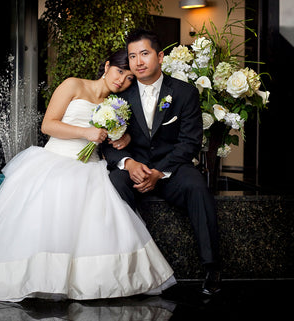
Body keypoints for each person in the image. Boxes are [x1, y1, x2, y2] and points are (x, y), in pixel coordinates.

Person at [0, 50, 176, 302]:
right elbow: (48, 124)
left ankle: (91, 282)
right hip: (55, 161)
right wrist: (86, 132)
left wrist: (125, 137)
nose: (122, 80)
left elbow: (126, 137)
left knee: (99, 226)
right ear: (108, 66)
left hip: (93, 167)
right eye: (120, 71)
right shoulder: (73, 84)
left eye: (130, 77)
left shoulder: (120, 104)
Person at [101, 29, 221, 296]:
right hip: (135, 169)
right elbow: (108, 144)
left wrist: (159, 172)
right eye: (133, 56)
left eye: (144, 54)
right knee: (113, 181)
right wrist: (129, 163)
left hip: (172, 169)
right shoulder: (120, 96)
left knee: (197, 187)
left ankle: (212, 266)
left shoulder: (184, 92)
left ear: (160, 56)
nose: (138, 61)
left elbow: (189, 141)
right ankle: (134, 262)